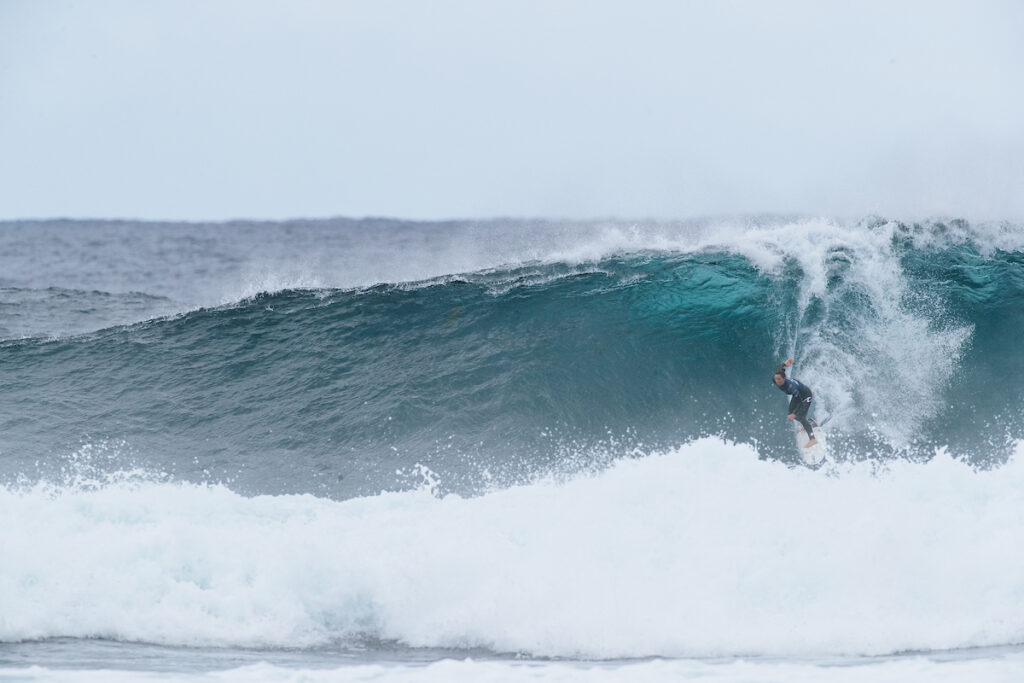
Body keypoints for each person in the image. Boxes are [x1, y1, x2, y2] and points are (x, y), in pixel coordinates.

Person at [773, 359, 818, 448]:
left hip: (805, 396)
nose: (777, 381)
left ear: (784, 379)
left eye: (779, 379)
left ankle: (813, 439)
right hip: (798, 395)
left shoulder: (791, 387)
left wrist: (794, 414)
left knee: (800, 416)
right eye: (776, 379)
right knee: (790, 412)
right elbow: (779, 369)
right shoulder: (777, 378)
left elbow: (800, 402)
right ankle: (808, 423)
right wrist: (784, 364)